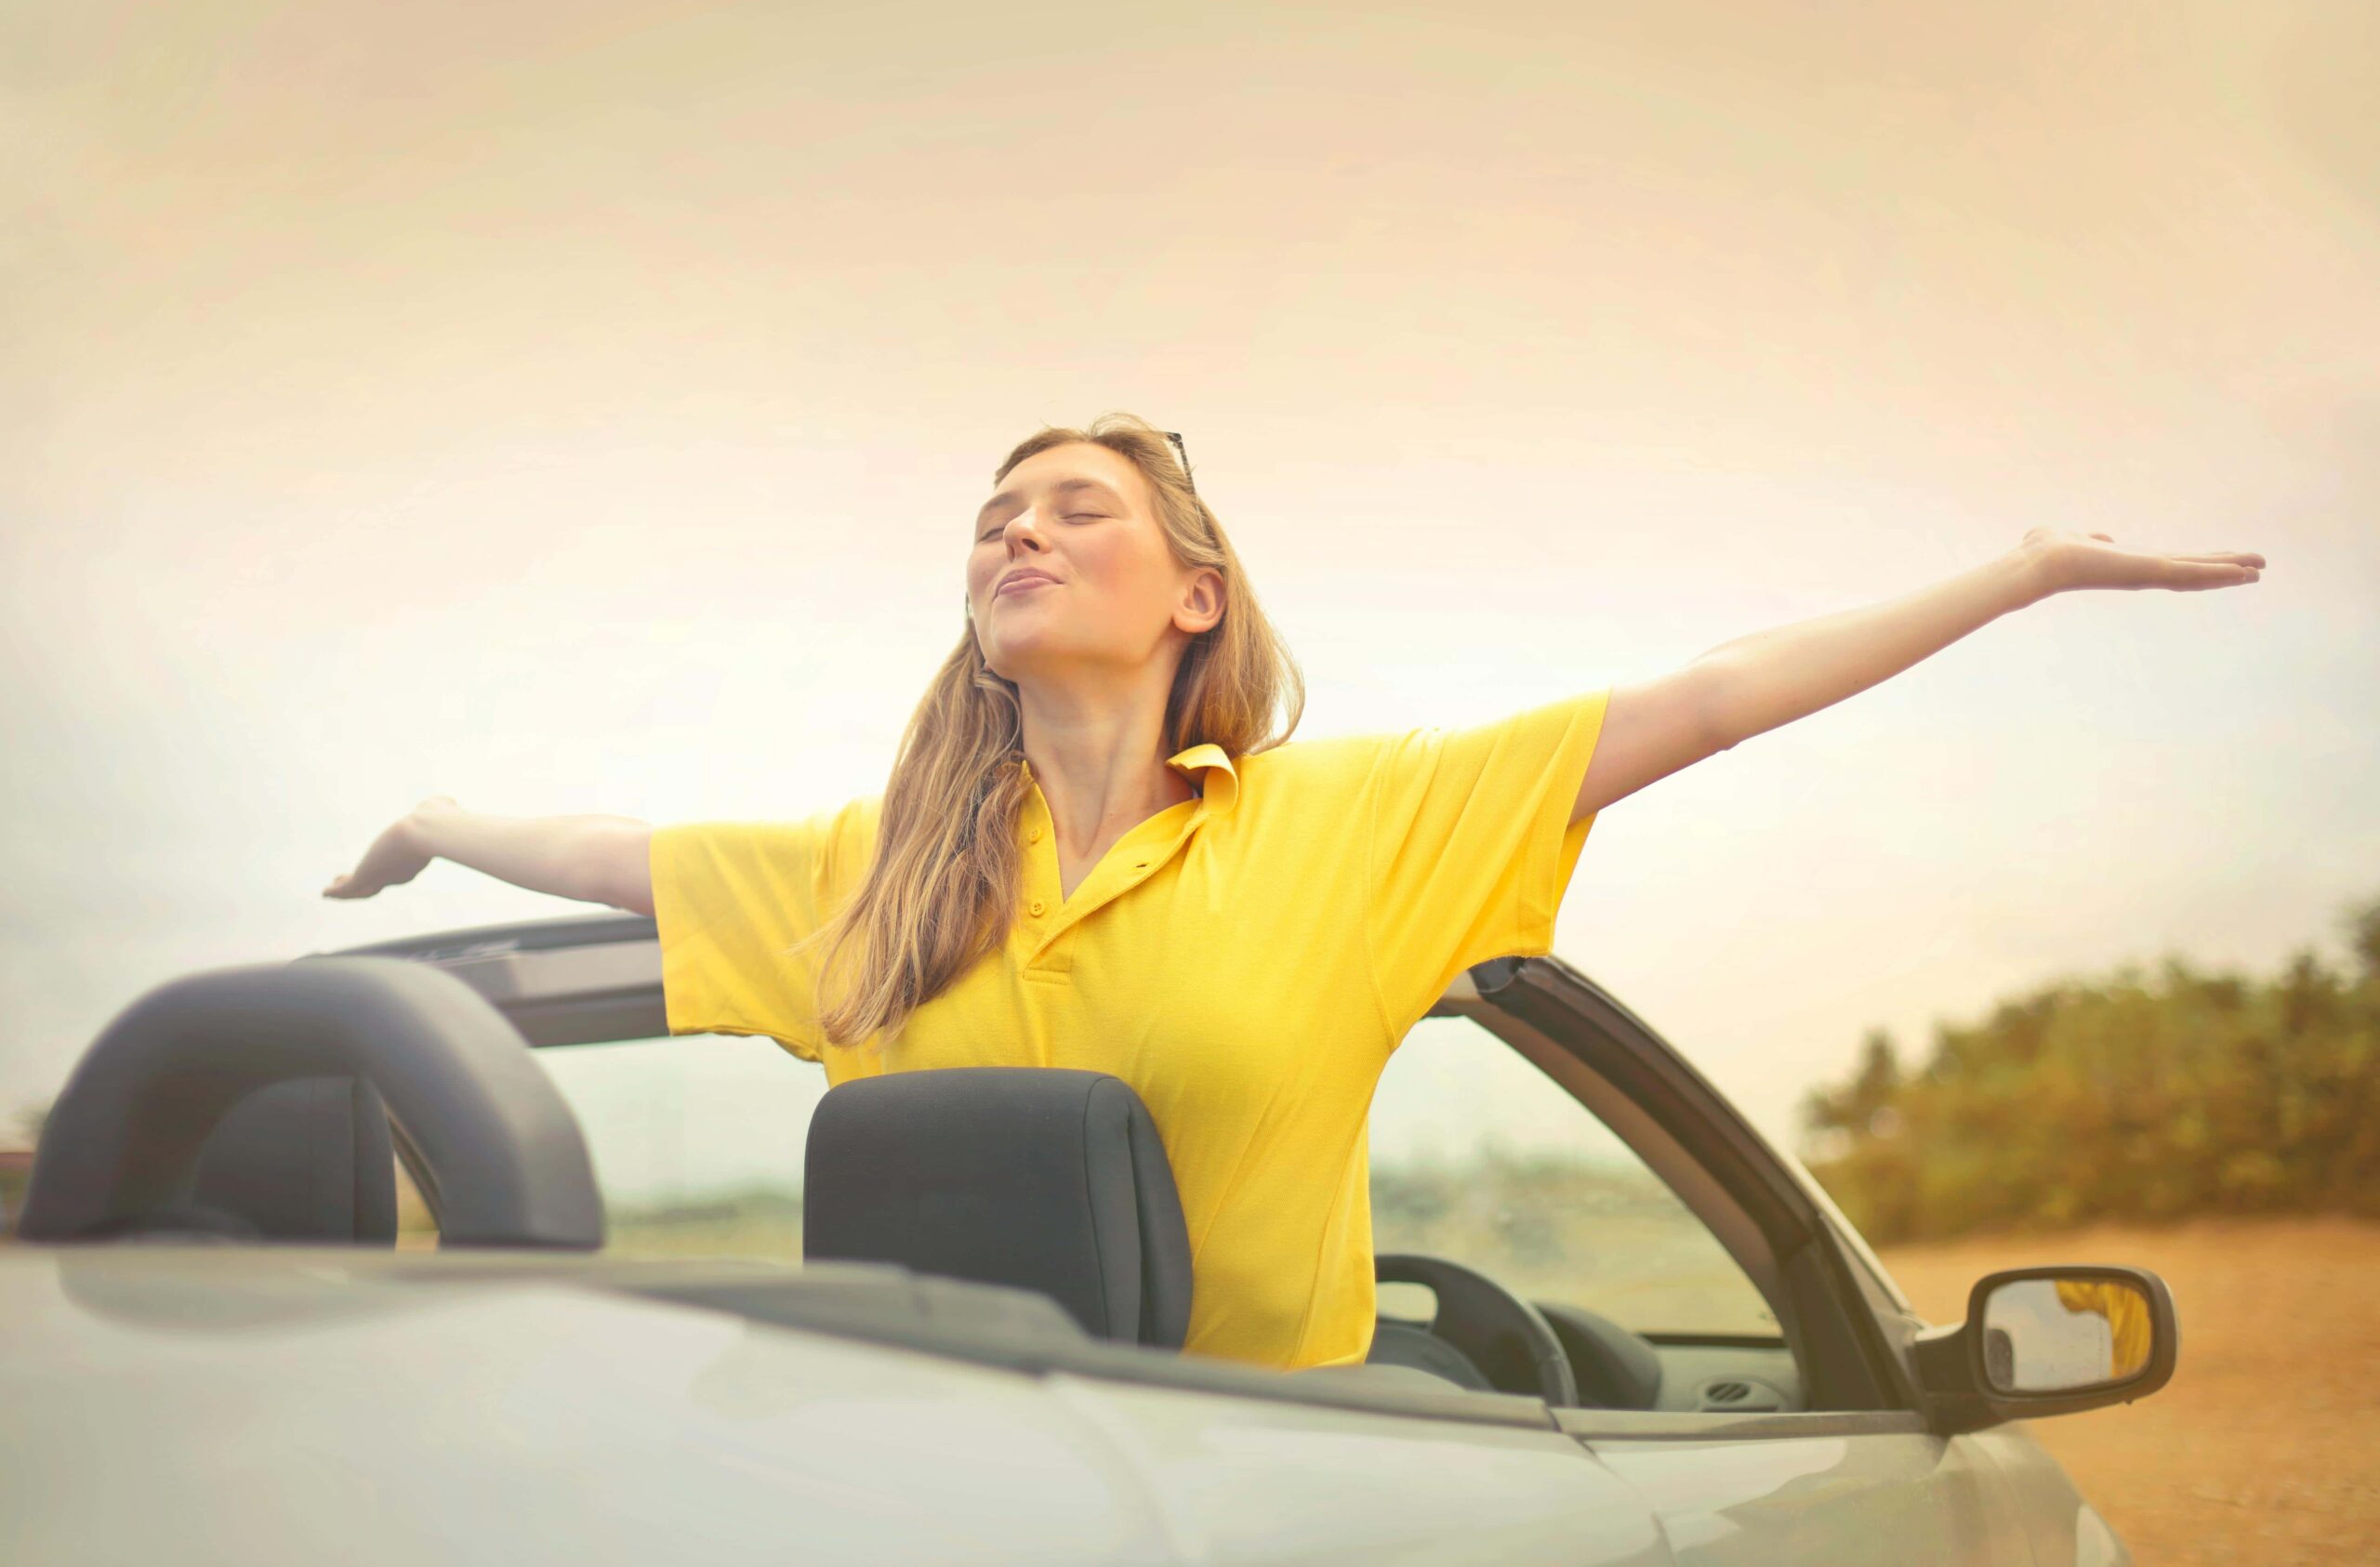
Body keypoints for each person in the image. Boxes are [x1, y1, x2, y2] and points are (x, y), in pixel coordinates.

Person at [324, 411, 2264, 1373]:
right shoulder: (869, 872)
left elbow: (1703, 698)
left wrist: (2007, 572)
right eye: (994, 512)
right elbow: (613, 865)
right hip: (930, 1482)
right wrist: (440, 810)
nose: (1016, 523)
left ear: (1195, 595)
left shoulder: (1347, 825)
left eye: (1074, 501)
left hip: (1287, 1488)